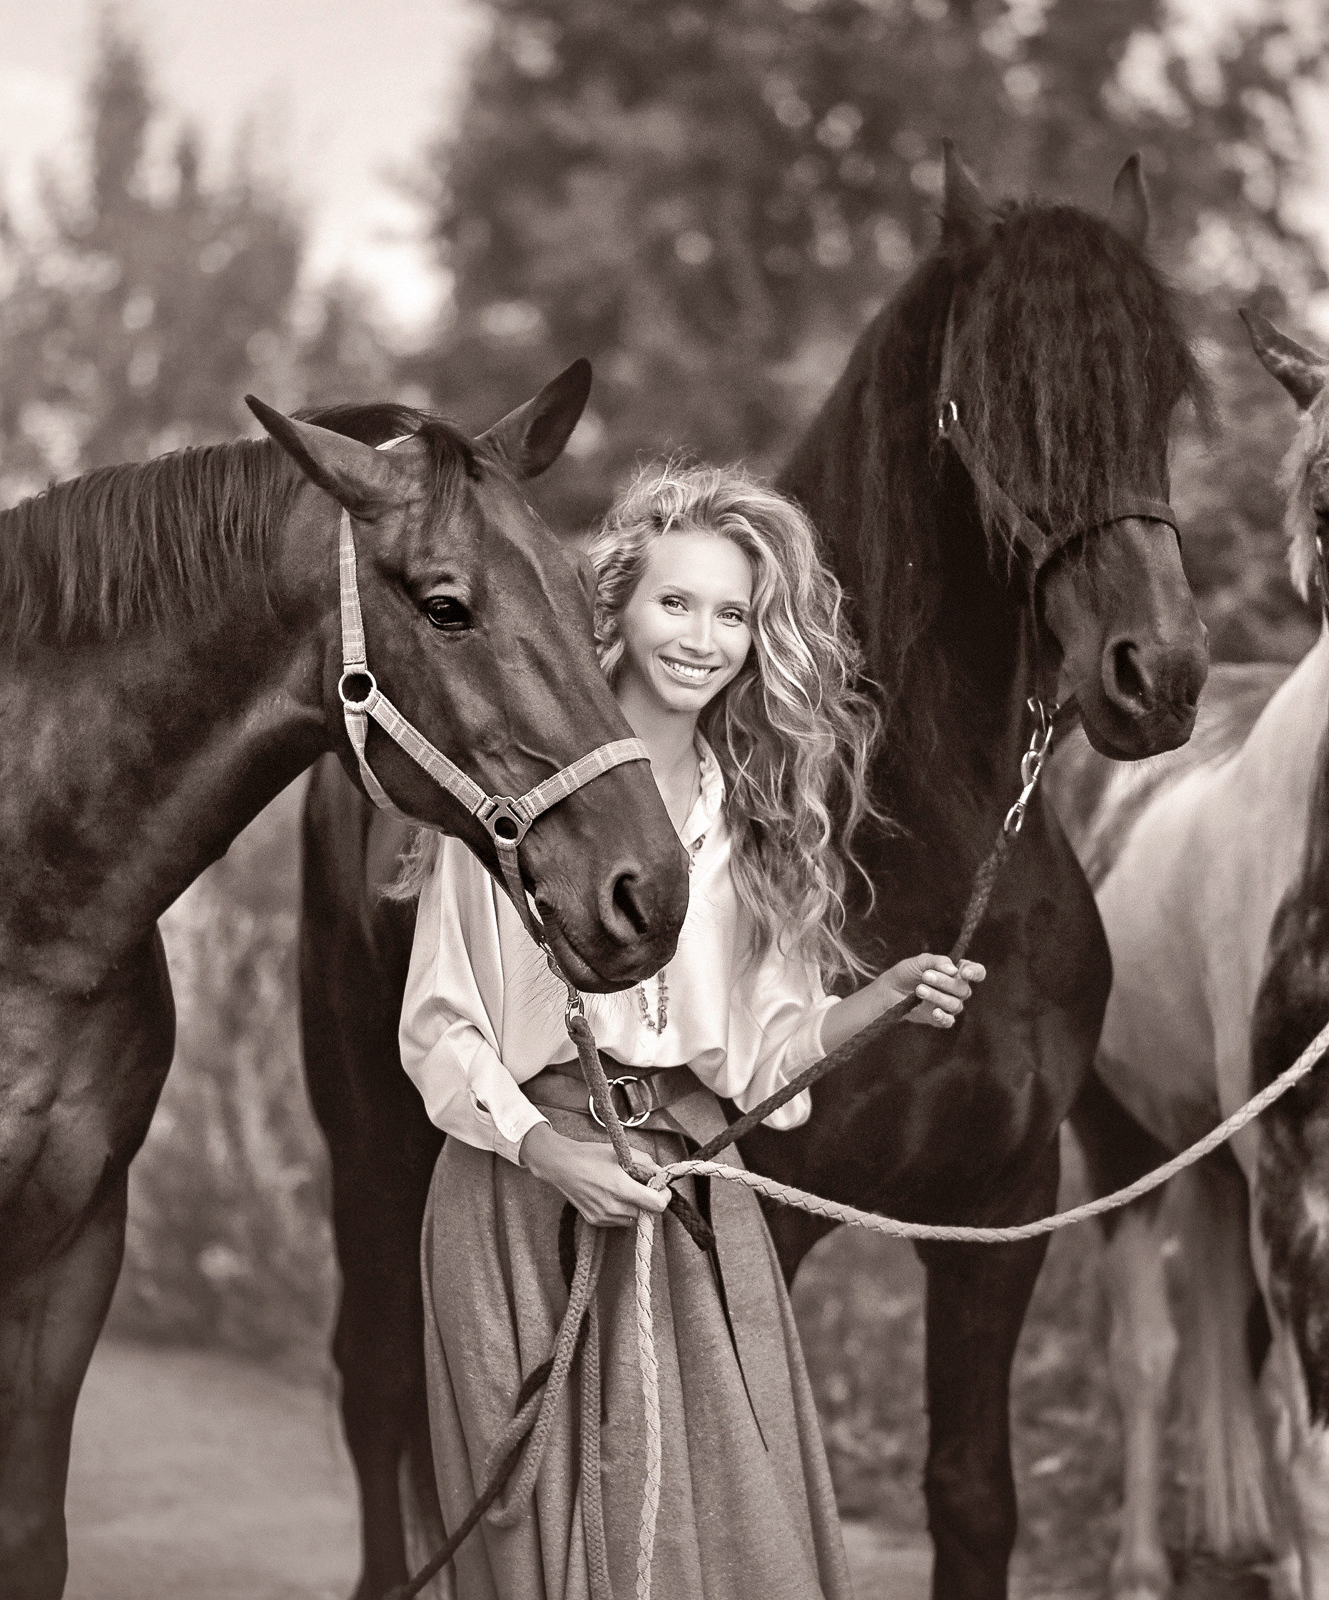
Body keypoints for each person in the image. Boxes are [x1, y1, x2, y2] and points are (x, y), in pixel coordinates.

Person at [400, 461, 985, 1598]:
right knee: (548, 1546)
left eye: (735, 615)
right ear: (614, 603)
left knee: (724, 1536)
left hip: (689, 1195)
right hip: (524, 1194)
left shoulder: (754, 822)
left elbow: (762, 1060)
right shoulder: (515, 796)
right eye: (678, 602)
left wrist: (883, 999)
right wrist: (548, 1150)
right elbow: (440, 1022)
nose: (704, 638)